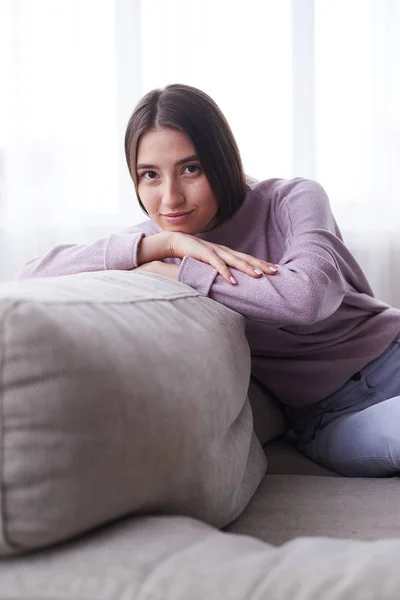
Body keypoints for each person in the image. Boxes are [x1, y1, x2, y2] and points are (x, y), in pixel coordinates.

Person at [18, 83, 400, 477]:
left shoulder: (292, 199)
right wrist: (163, 245)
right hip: (329, 415)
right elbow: (31, 274)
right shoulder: (155, 242)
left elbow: (305, 298)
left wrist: (180, 269)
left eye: (190, 169)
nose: (170, 199)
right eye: (149, 175)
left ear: (223, 161)